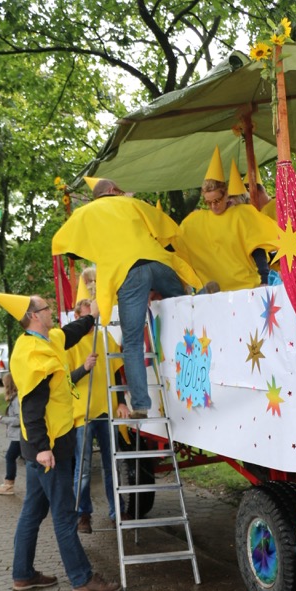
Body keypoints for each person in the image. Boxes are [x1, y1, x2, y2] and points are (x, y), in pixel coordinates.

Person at [0, 290, 121, 591]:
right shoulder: (33, 355)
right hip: (49, 448)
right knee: (64, 515)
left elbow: (70, 332)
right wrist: (43, 448)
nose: (52, 311)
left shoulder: (47, 341)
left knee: (33, 512)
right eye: (47, 308)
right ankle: (82, 579)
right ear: (35, 315)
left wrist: (92, 316)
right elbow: (31, 407)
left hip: (45, 447)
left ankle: (23, 575)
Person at [51, 179, 198, 420]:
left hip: (127, 273)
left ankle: (140, 404)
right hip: (159, 263)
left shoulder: (85, 213)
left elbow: (68, 249)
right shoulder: (133, 204)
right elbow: (168, 231)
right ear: (112, 191)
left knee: (132, 342)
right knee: (187, 304)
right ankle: (201, 298)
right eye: (120, 190)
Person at [173, 149, 279, 292]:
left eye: (217, 201)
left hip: (246, 289)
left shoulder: (242, 214)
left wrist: (264, 279)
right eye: (208, 202)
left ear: (225, 196)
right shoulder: (194, 221)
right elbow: (177, 245)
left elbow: (257, 247)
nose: (213, 206)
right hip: (216, 294)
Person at [66, 296, 127, 533]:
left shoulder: (105, 338)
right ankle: (83, 514)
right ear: (77, 317)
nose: (91, 323)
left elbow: (116, 371)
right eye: (87, 318)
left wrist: (122, 402)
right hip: (83, 413)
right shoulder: (69, 343)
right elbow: (65, 380)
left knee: (112, 465)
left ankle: (117, 511)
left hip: (106, 409)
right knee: (82, 469)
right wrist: (84, 368)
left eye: (94, 317)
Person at [0, 372, 22, 496]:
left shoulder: (16, 400)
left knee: (10, 457)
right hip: (19, 435)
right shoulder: (15, 398)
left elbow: (19, 420)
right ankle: (8, 483)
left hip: (19, 436)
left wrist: (2, 419)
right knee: (12, 456)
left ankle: (9, 484)